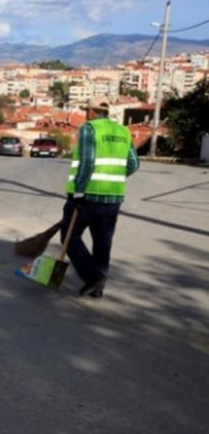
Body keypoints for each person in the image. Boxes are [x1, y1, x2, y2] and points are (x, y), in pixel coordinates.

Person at [62, 96, 139, 298]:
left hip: (87, 196)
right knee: (102, 243)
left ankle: (91, 276)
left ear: (91, 112)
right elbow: (134, 164)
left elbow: (87, 161)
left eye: (87, 111)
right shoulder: (123, 131)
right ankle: (98, 288)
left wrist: (79, 191)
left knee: (68, 237)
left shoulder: (89, 129)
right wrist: (114, 177)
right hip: (113, 198)